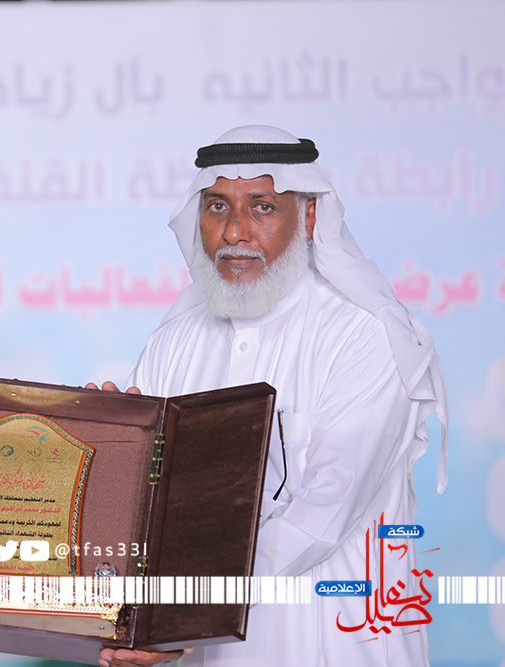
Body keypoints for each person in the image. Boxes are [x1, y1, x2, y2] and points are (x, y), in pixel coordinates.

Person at [122, 125, 448, 666]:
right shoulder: (175, 342)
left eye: (263, 207)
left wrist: (180, 613)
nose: (235, 231)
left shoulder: (365, 334)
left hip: (339, 646)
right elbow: (145, 500)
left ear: (310, 216)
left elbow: (322, 515)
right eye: (218, 206)